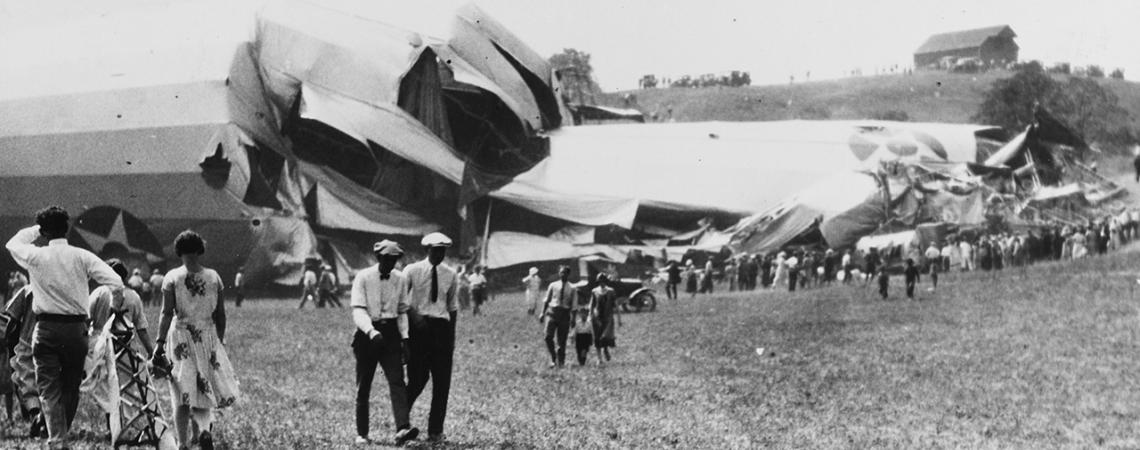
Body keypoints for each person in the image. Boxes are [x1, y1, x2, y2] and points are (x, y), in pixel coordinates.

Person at [6, 206, 124, 449]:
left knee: (48, 388)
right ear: (66, 228)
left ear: (45, 231)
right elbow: (115, 281)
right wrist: (113, 310)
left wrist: (36, 230)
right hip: (76, 329)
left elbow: (13, 243)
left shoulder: (35, 255)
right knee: (70, 387)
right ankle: (61, 435)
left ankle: (57, 439)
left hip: (46, 328)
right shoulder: (81, 256)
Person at [151, 230, 239, 450]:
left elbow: (166, 313)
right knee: (203, 388)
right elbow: (221, 314)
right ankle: (205, 431)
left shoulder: (172, 277)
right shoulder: (213, 277)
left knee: (180, 391)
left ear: (178, 250)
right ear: (200, 249)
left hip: (180, 337)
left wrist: (159, 343)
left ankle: (182, 443)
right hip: (207, 336)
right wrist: (219, 340)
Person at [349, 240, 418, 446]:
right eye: (387, 259)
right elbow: (358, 310)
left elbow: (402, 311)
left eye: (394, 260)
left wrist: (405, 339)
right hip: (367, 333)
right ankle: (362, 432)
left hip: (390, 334)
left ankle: (403, 428)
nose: (391, 264)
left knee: (397, 381)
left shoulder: (399, 279)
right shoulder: (363, 277)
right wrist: (371, 331)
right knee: (364, 384)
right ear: (378, 258)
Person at [402, 232, 459, 443]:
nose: (439, 254)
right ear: (427, 250)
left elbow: (452, 308)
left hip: (441, 329)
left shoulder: (451, 274)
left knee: (442, 382)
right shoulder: (412, 270)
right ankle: (402, 422)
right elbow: (402, 302)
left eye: (442, 251)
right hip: (419, 328)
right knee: (417, 378)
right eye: (435, 250)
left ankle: (435, 431)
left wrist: (451, 338)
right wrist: (410, 325)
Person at [3, 286, 45, 437]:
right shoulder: (58, 288)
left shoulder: (29, 290)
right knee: (47, 383)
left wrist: (6, 337)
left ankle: (35, 415)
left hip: (27, 339)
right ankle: (46, 419)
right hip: (50, 341)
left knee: (26, 382)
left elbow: (13, 317)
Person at [540, 266, 576, 368]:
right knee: (548, 336)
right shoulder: (553, 285)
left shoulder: (572, 288)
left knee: (562, 340)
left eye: (564, 273)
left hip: (564, 314)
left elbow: (574, 305)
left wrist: (573, 318)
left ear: (568, 274)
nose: (562, 275)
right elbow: (547, 299)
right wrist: (542, 313)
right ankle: (553, 357)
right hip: (552, 313)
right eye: (561, 273)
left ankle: (561, 361)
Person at [589, 274, 621, 365]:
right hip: (597, 317)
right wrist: (589, 316)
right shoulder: (594, 291)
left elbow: (616, 305)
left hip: (608, 317)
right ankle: (599, 358)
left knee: (606, 336)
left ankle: (606, 349)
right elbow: (591, 304)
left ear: (605, 282)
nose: (601, 283)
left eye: (603, 281)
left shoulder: (611, 291)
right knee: (597, 338)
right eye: (600, 282)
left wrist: (619, 319)